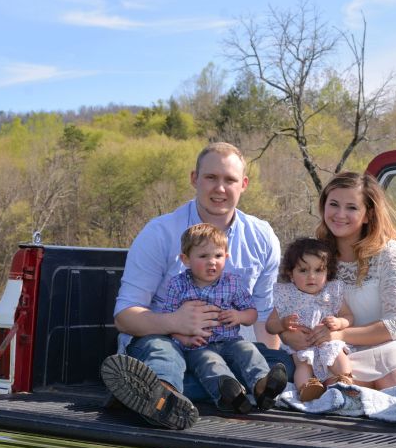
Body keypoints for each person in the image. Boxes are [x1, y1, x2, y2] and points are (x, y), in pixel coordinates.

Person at [101, 142, 288, 430]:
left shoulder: (262, 238)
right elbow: (124, 316)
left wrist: (264, 368)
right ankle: (164, 398)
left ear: (244, 184)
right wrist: (175, 322)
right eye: (211, 178)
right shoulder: (160, 233)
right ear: (194, 179)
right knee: (164, 355)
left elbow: (262, 315)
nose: (220, 189)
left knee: (282, 364)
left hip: (224, 346)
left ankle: (147, 391)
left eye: (230, 180)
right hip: (162, 341)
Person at [282, 171, 396, 391]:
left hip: (394, 342)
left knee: (394, 382)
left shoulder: (389, 254)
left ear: (368, 214)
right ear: (323, 207)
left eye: (352, 207)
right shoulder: (316, 255)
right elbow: (293, 300)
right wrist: (288, 334)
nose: (340, 214)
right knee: (335, 385)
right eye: (334, 204)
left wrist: (340, 333)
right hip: (340, 348)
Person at [159, 223, 287, 413]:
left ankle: (262, 386)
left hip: (230, 341)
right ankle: (230, 394)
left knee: (248, 350)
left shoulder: (232, 283)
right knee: (210, 363)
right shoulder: (177, 285)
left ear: (226, 257)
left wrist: (239, 315)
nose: (212, 262)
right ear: (186, 259)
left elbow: (252, 314)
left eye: (218, 256)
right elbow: (168, 320)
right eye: (203, 256)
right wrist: (185, 338)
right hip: (199, 345)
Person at [266, 237, 353, 402]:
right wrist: (283, 324)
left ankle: (344, 379)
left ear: (327, 273)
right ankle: (306, 388)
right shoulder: (287, 295)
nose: (311, 276)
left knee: (338, 355)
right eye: (303, 270)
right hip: (302, 344)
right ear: (291, 274)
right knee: (302, 363)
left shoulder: (332, 292)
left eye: (318, 270)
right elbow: (270, 326)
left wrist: (340, 323)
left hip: (327, 340)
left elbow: (348, 317)